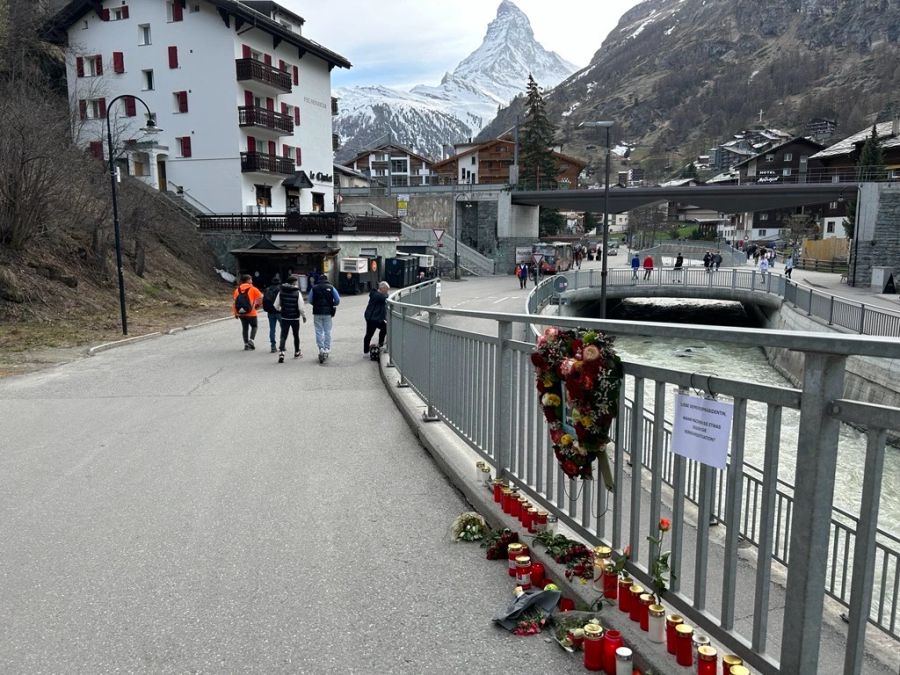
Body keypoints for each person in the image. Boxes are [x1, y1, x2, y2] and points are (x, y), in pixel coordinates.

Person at [308, 273, 341, 363]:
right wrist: (331, 304)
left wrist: (316, 305)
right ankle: (327, 348)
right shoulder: (331, 288)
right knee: (327, 331)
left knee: (318, 331)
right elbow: (337, 300)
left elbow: (310, 300)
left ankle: (321, 348)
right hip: (328, 313)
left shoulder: (314, 288)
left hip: (317, 313)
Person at [274, 275, 307, 363]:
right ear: (294, 282)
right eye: (296, 281)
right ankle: (297, 352)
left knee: (283, 335)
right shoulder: (297, 292)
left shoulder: (281, 291)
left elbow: (276, 305)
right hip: (295, 318)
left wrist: (281, 310)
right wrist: (303, 316)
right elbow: (301, 307)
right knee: (296, 335)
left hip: (285, 317)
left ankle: (281, 353)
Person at [232, 274, 263, 350]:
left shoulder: (237, 290)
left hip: (241, 313)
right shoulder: (253, 289)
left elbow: (234, 302)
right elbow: (261, 297)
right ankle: (251, 340)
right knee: (254, 326)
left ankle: (246, 344)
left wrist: (235, 313)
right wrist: (258, 305)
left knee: (245, 328)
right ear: (248, 280)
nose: (252, 281)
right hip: (251, 312)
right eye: (251, 279)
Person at [363, 281, 390, 356]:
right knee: (369, 334)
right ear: (382, 288)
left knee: (385, 328)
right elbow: (385, 298)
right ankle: (366, 350)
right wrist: (386, 295)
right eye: (386, 289)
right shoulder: (377, 295)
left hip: (376, 318)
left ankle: (380, 344)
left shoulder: (378, 294)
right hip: (372, 318)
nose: (387, 291)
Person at [262, 274, 282, 353]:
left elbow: (264, 300)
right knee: (283, 328)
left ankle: (273, 346)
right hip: (279, 311)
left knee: (272, 329)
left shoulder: (267, 289)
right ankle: (282, 345)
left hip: (270, 311)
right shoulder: (281, 289)